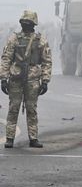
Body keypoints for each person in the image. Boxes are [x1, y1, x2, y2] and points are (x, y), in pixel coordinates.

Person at [1, 10, 51, 149]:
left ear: (33, 24)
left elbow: (47, 61)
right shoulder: (14, 38)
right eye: (23, 22)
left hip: (32, 79)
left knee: (31, 110)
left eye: (28, 23)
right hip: (16, 78)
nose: (25, 25)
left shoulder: (40, 40)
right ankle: (10, 138)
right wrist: (3, 78)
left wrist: (45, 80)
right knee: (13, 108)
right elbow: (6, 58)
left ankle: (33, 138)